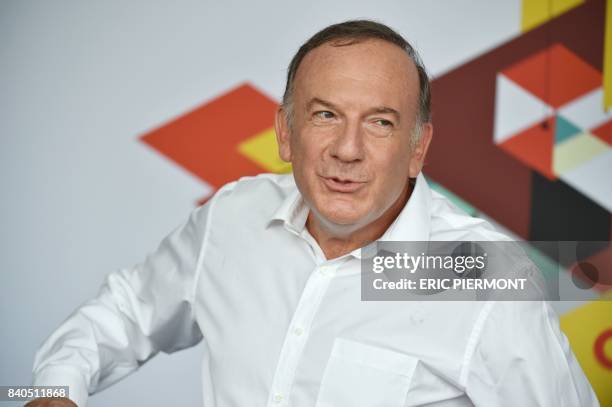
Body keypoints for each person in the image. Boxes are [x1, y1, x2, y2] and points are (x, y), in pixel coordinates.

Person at [28, 20, 599, 407]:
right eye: (325, 114)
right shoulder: (232, 219)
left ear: (418, 149)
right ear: (285, 131)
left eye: (380, 122)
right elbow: (124, 311)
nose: (346, 150)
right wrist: (54, 390)